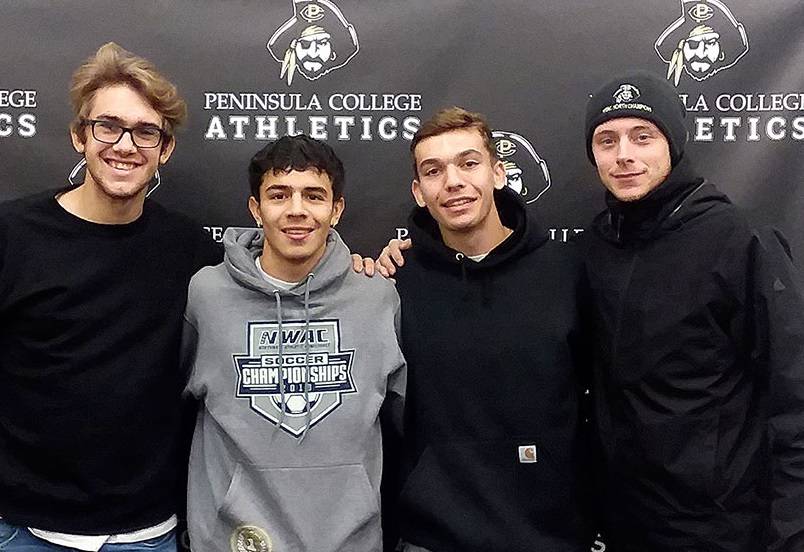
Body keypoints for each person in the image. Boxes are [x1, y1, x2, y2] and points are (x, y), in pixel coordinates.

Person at [0, 43, 221, 551]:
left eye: (145, 131)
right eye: (108, 126)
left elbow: (278, 274)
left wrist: (364, 265)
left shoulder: (190, 249)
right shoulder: (13, 235)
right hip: (21, 529)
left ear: (164, 149)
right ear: (79, 136)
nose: (125, 144)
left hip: (147, 532)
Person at [583, 70, 804, 551]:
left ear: (674, 142)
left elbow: (794, 394)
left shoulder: (740, 239)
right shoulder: (598, 245)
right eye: (607, 140)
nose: (624, 154)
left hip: (721, 529)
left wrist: (792, 534)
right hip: (624, 526)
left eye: (643, 136)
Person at [360, 107, 592, 551]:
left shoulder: (567, 270)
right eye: (434, 171)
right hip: (433, 538)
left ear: (498, 173)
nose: (453, 182)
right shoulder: (393, 281)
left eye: (468, 163)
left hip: (550, 537)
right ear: (419, 191)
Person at [182, 134, 406, 552]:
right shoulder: (207, 296)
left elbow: (405, 428)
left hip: (349, 541)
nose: (297, 210)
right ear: (256, 208)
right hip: (233, 540)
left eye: (314, 196)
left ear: (337, 209)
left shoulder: (377, 298)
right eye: (279, 195)